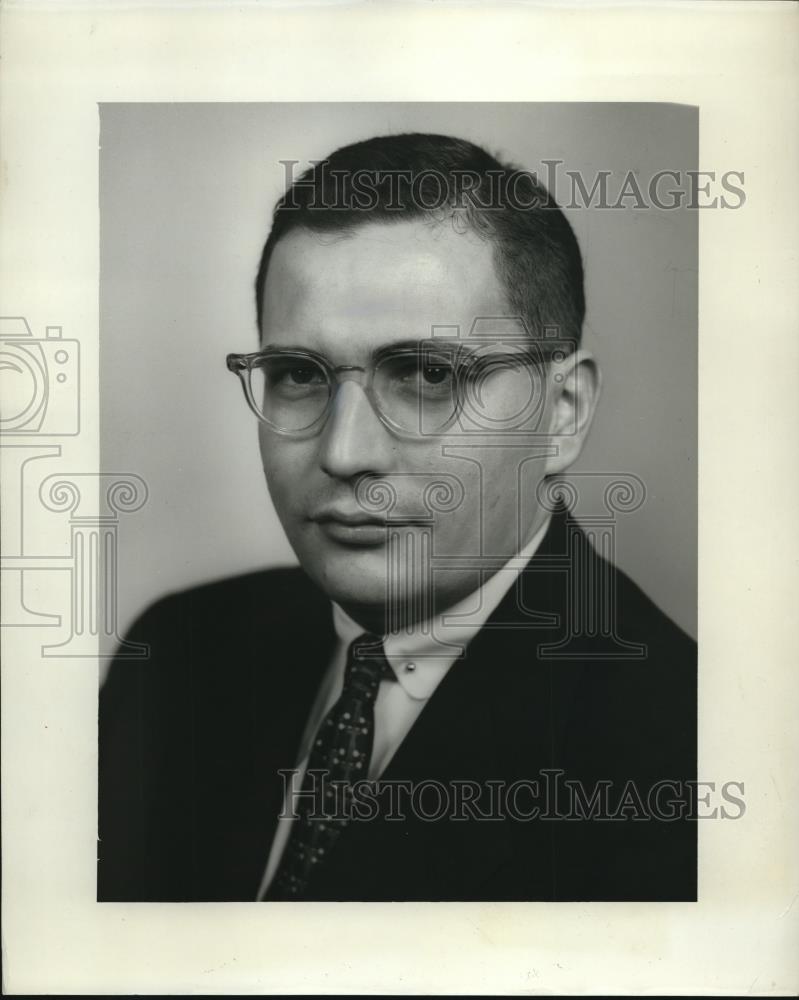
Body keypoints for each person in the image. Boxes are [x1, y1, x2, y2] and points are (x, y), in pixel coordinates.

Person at [98, 132, 696, 902]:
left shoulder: (680, 753)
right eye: (296, 376)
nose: (344, 452)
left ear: (562, 413)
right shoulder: (181, 651)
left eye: (424, 374)